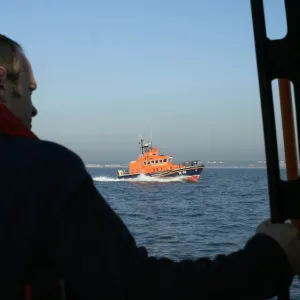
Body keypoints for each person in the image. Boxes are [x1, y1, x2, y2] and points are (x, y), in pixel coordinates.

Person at [0, 33, 299, 300]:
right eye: (30, 89)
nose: (35, 107)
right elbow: (130, 285)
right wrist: (266, 261)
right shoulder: (47, 169)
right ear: (4, 82)